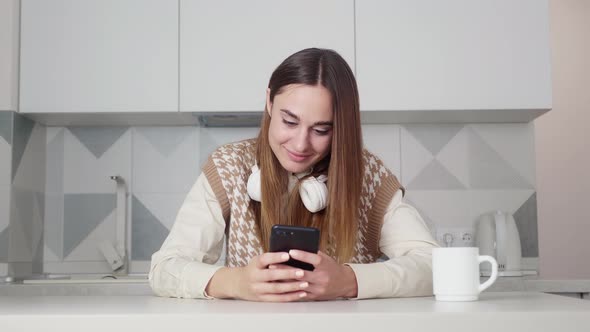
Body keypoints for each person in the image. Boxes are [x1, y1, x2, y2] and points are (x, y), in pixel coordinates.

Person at [149, 48, 439, 301]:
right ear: (269, 102)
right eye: (290, 121)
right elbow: (164, 269)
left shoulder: (368, 176)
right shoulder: (229, 166)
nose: (301, 145)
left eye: (321, 130)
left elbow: (433, 265)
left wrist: (348, 281)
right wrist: (236, 282)